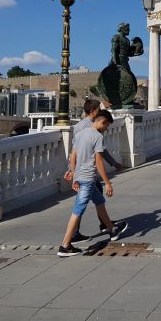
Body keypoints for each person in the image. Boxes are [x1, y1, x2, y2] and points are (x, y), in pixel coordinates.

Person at [58, 110, 128, 257]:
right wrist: (108, 183)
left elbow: (72, 157)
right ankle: (65, 245)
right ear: (102, 122)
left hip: (80, 176)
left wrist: (74, 176)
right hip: (88, 178)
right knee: (78, 211)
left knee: (99, 201)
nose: (106, 129)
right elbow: (98, 162)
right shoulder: (97, 137)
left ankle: (112, 230)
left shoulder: (80, 134)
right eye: (107, 126)